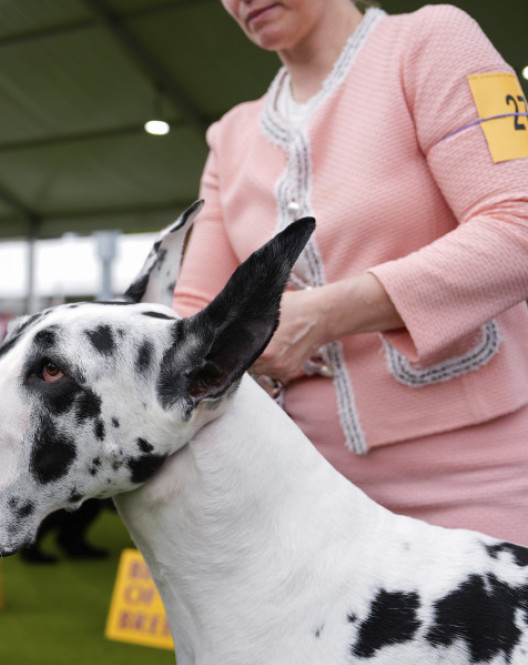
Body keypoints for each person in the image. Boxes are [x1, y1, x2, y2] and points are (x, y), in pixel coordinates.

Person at [173, 0, 528, 545]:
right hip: (300, 492)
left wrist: (323, 315)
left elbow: (517, 223)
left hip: (481, 482)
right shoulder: (229, 137)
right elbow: (194, 315)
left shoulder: (432, 42)